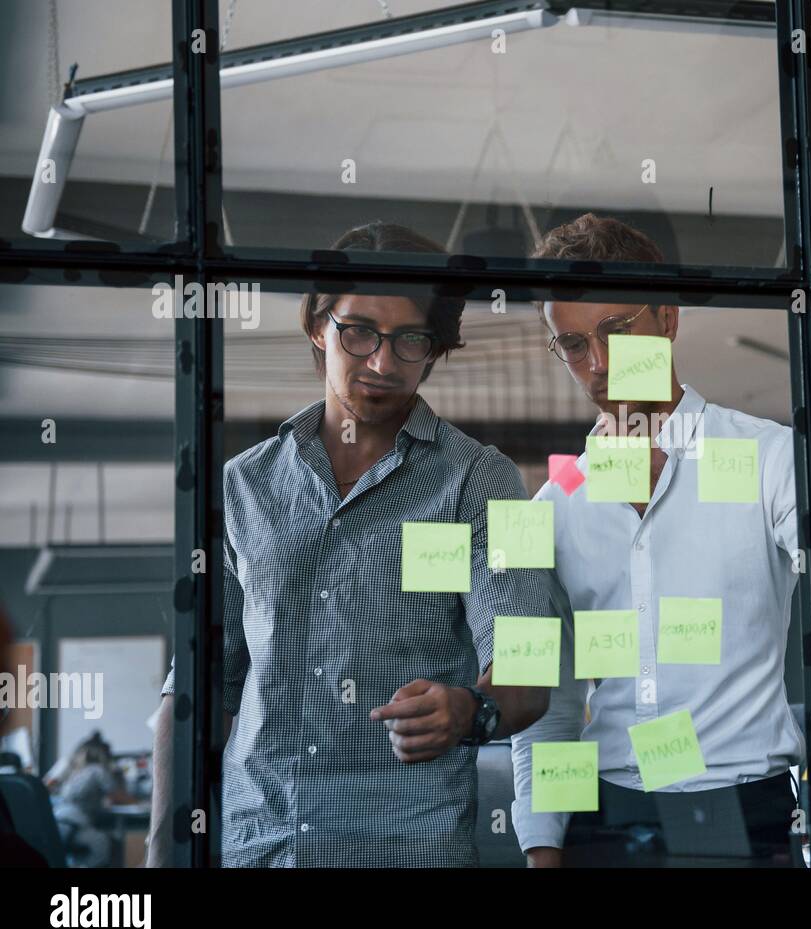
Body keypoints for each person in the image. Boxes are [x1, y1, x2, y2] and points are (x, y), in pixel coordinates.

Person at [511, 214, 811, 866]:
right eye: (571, 343)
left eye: (616, 331)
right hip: (605, 820)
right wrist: (542, 848)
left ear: (667, 319)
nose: (597, 364)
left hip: (745, 817)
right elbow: (551, 707)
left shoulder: (768, 458)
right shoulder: (554, 506)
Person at [148, 223, 555, 867]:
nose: (382, 362)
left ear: (435, 349)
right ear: (318, 324)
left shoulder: (485, 481)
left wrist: (469, 710)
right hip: (263, 845)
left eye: (410, 340)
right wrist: (161, 859)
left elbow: (530, 669)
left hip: (408, 848)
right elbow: (195, 693)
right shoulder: (243, 485)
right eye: (358, 331)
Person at [48, 732, 125, 867]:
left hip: (57, 821)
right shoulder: (98, 770)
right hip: (74, 823)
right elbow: (118, 797)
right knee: (103, 844)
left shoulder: (74, 771)